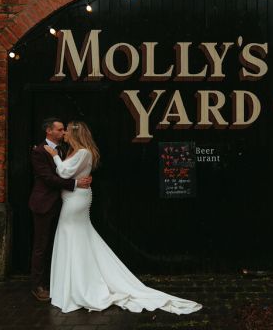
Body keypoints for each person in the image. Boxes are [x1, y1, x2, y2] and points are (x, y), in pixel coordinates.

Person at [44, 120, 202, 314]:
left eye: (67, 130)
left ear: (76, 134)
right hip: (73, 198)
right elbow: (69, 176)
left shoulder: (83, 152)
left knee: (72, 235)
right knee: (76, 237)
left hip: (76, 201)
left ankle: (78, 284)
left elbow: (64, 172)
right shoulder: (73, 152)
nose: (65, 133)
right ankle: (73, 282)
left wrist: (54, 157)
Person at [29, 117, 92, 302]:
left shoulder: (65, 149)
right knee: (41, 245)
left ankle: (58, 282)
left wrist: (82, 178)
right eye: (60, 129)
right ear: (49, 131)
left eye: (64, 129)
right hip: (44, 204)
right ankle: (38, 286)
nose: (63, 132)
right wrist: (75, 183)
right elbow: (48, 178)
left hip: (65, 204)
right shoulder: (39, 151)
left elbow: (73, 167)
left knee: (62, 242)